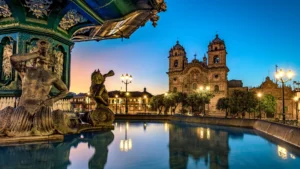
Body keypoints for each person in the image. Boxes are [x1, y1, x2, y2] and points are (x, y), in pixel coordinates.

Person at [0, 40, 69, 136]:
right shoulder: (26, 70)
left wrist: (53, 100)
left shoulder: (53, 76)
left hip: (42, 108)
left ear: (50, 61)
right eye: (41, 56)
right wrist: (36, 54)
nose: (43, 57)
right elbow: (13, 59)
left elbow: (65, 90)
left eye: (46, 55)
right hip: (24, 107)